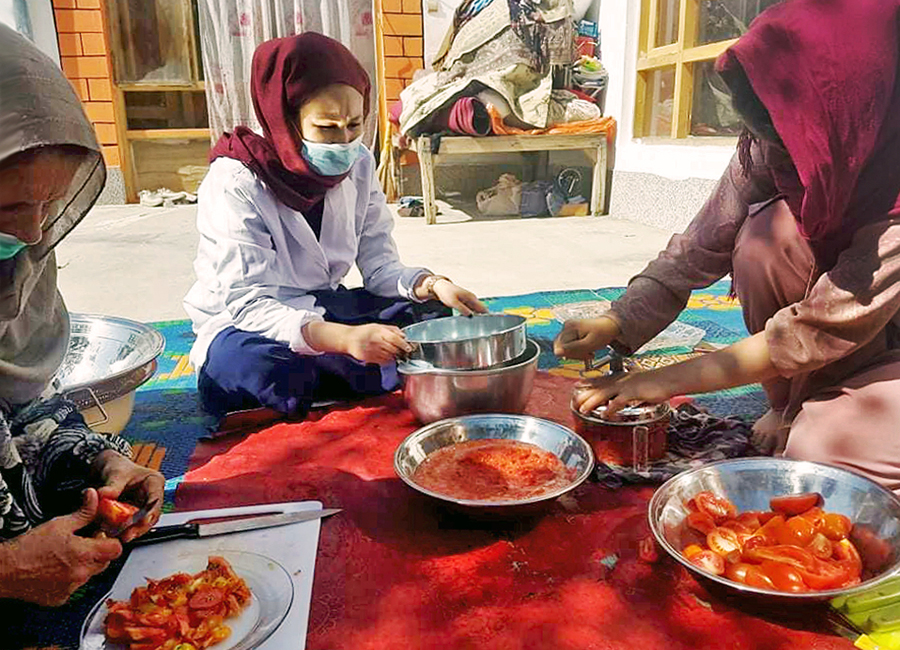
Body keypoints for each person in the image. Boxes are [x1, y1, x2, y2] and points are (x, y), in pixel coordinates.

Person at [555, 0, 900, 490]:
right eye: (763, 140)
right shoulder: (775, 139)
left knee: (822, 451)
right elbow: (701, 244)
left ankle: (824, 409)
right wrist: (617, 320)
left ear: (842, 115)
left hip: (886, 329)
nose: (773, 158)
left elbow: (822, 326)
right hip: (848, 323)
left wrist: (662, 381)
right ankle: (792, 402)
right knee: (766, 235)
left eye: (786, 145)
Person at [184, 33, 486, 421]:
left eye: (354, 125)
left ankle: (346, 368)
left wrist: (433, 285)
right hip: (250, 323)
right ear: (285, 119)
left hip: (323, 305)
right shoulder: (235, 180)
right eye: (327, 127)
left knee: (429, 315)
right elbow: (249, 303)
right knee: (250, 369)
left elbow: (380, 268)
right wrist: (344, 339)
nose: (343, 141)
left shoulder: (358, 163)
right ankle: (356, 367)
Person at [0, 25, 164, 606]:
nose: (33, 233)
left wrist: (100, 458)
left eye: (49, 205)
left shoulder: (16, 261)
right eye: (8, 208)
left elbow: (18, 414)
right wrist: (8, 570)